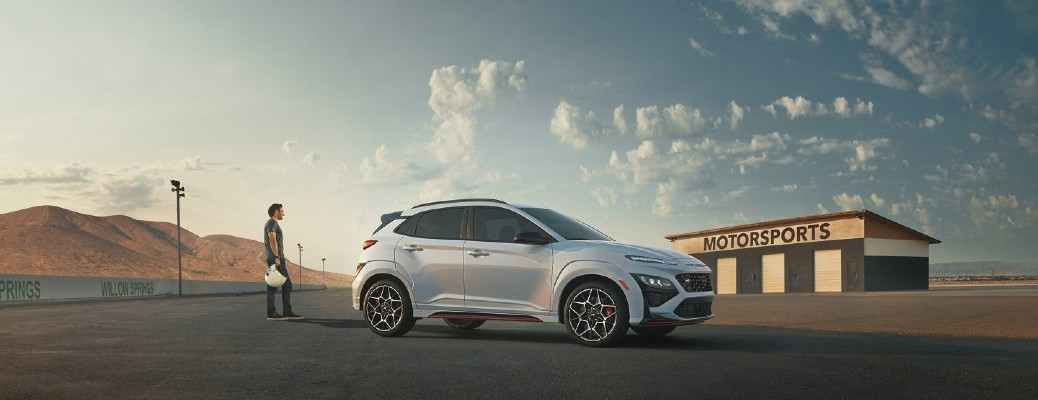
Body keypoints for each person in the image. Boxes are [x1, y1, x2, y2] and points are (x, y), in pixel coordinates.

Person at [265, 203, 303, 320]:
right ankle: (276, 313)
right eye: (282, 211)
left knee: (279, 285)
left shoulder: (272, 223)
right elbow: (272, 240)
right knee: (283, 285)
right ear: (276, 211)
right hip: (275, 258)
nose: (283, 213)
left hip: (276, 257)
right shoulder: (272, 223)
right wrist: (277, 257)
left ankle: (284, 312)